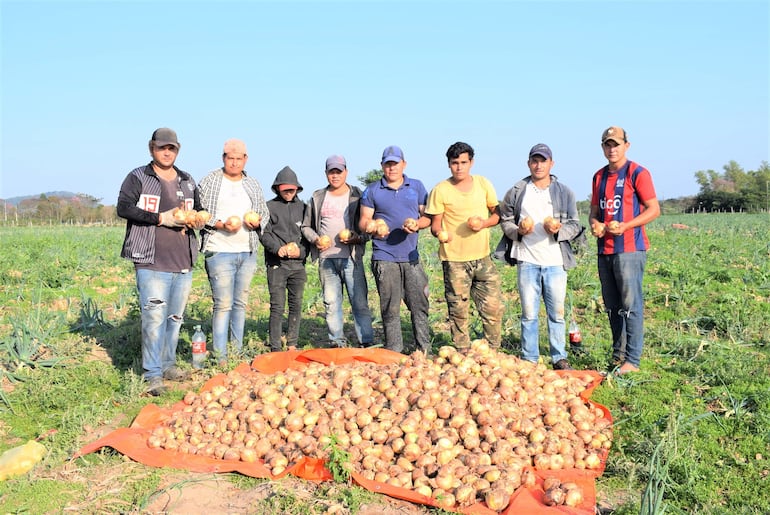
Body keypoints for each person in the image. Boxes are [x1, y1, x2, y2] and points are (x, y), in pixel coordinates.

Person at [117, 128, 205, 396]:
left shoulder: (187, 180)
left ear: (177, 149)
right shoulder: (138, 177)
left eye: (172, 148)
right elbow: (123, 208)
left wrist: (198, 218)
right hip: (151, 260)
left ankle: (167, 365)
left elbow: (198, 210)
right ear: (151, 148)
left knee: (174, 318)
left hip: (182, 261)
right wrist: (159, 218)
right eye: (161, 148)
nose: (167, 152)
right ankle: (152, 374)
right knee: (154, 319)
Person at [496, 143, 583, 370]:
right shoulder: (517, 190)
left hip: (555, 261)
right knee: (528, 314)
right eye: (534, 160)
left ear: (551, 164)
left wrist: (558, 231)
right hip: (527, 259)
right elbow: (505, 219)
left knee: (557, 313)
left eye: (543, 161)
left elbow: (575, 224)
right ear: (528, 164)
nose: (538, 165)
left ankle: (558, 357)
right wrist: (517, 232)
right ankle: (530, 358)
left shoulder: (564, 192)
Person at [589, 126, 660, 375]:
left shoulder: (637, 173)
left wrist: (627, 226)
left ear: (626, 146)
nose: (612, 149)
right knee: (612, 304)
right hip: (605, 249)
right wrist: (595, 224)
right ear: (602, 148)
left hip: (630, 248)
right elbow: (595, 212)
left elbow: (654, 209)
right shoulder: (599, 177)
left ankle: (633, 360)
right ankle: (618, 354)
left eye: (616, 144)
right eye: (608, 145)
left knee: (631, 304)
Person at [425, 141, 504, 350]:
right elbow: (435, 225)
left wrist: (484, 223)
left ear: (471, 162)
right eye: (454, 163)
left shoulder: (483, 184)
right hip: (455, 261)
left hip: (483, 257)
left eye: (463, 162)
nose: (459, 167)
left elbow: (497, 214)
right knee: (458, 309)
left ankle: (492, 350)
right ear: (449, 164)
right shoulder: (440, 190)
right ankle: (463, 352)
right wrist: (440, 234)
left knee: (493, 307)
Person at [198, 139, 269, 366]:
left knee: (240, 303)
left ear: (245, 159)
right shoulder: (210, 181)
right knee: (223, 304)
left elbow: (264, 213)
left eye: (239, 158)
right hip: (219, 250)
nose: (235, 162)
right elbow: (199, 214)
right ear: (223, 158)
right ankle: (220, 357)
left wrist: (256, 222)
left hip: (246, 251)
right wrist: (220, 224)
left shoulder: (253, 184)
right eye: (230, 158)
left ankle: (236, 352)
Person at [359, 146, 432, 354]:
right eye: (387, 164)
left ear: (404, 164)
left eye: (395, 164)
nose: (391, 168)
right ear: (382, 166)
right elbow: (364, 220)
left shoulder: (416, 187)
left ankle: (424, 350)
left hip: (411, 257)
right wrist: (372, 226)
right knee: (390, 308)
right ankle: (393, 352)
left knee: (419, 304)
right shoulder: (372, 190)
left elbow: (427, 217)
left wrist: (418, 224)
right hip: (384, 256)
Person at [301, 155, 374, 348]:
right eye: (331, 172)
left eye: (338, 172)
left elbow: (367, 226)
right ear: (326, 174)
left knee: (359, 301)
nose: (335, 176)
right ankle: (337, 341)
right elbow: (306, 226)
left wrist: (357, 238)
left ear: (346, 173)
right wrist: (315, 239)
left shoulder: (358, 195)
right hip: (327, 259)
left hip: (351, 257)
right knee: (331, 303)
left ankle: (366, 341)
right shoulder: (317, 197)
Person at [259, 166, 308, 352]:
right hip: (276, 265)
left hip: (297, 265)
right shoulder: (269, 207)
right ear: (277, 188)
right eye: (285, 189)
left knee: (296, 304)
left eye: (292, 189)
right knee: (277, 306)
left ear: (297, 189)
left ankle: (293, 342)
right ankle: (275, 346)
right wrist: (277, 249)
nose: (288, 192)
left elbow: (308, 235)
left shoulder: (304, 208)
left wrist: (301, 252)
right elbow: (264, 233)